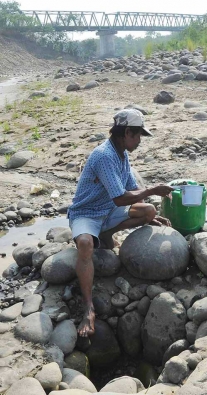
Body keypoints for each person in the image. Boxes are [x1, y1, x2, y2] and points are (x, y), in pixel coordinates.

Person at [67, 109, 174, 337]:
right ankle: (88, 308)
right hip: (86, 214)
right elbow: (120, 197)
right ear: (126, 132)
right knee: (85, 244)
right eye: (137, 136)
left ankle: (106, 235)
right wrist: (154, 189)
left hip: (108, 211)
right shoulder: (104, 155)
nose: (139, 141)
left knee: (147, 211)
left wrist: (149, 215)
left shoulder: (122, 154)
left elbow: (134, 190)